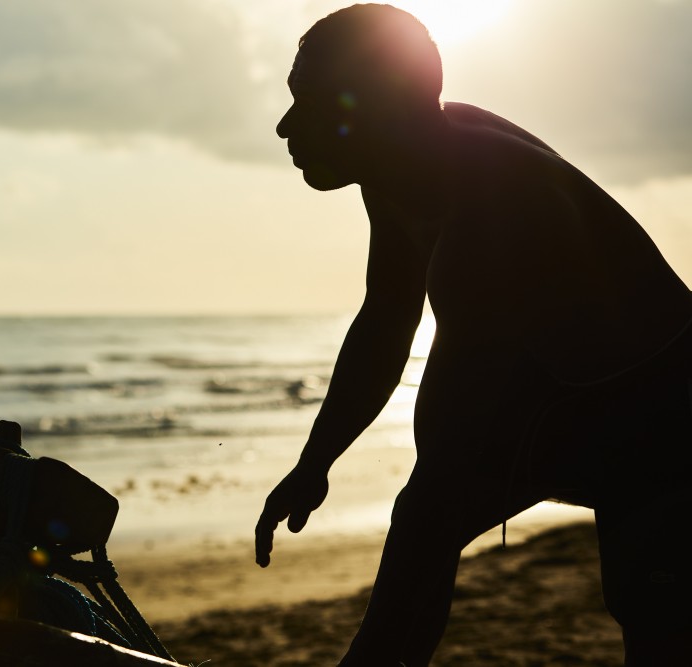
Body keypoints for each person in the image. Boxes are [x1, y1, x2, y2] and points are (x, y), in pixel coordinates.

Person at [253, 4, 692, 665]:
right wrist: (315, 462)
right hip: (589, 402)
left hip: (666, 414)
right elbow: (386, 316)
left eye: (310, 102)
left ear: (381, 110)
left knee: (651, 609)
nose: (285, 125)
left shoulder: (488, 213)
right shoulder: (406, 161)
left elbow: (446, 461)